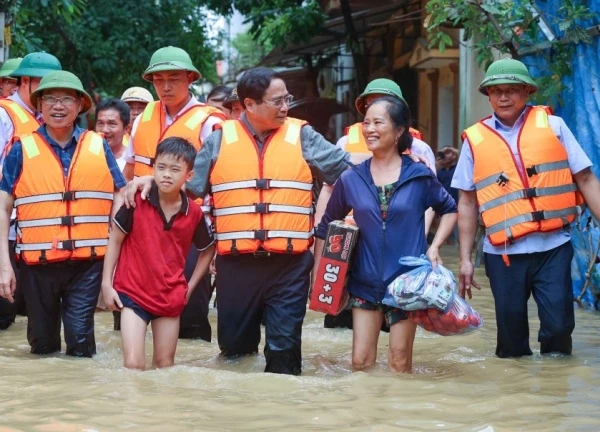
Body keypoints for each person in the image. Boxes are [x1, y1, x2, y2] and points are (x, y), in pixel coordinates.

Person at [125, 67, 370, 375]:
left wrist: (389, 167)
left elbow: (349, 174)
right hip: (235, 266)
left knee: (284, 355)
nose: (285, 107)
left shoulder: (302, 135)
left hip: (290, 267)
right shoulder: (219, 140)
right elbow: (188, 186)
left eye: (287, 99)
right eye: (277, 101)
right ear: (250, 104)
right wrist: (148, 179)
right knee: (235, 356)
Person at [453, 58, 600, 358]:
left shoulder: (554, 126)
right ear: (489, 96)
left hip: (553, 248)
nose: (504, 97)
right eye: (496, 91)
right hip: (503, 254)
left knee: (559, 331)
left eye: (512, 90)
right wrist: (465, 260)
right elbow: (467, 201)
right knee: (511, 344)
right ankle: (516, 400)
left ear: (527, 92)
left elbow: (585, 178)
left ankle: (553, 397)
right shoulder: (475, 140)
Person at [314, 96, 457, 372]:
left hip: (407, 284)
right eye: (366, 122)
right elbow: (326, 227)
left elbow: (450, 209)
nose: (369, 129)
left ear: (399, 130)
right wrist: (322, 280)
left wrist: (435, 246)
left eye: (378, 122)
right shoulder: (351, 178)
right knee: (360, 362)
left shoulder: (419, 175)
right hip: (364, 282)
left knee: (400, 362)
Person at [0, 70, 126, 357]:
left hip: (87, 264)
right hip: (37, 264)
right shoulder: (21, 149)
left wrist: (116, 252)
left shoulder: (97, 145)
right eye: (51, 99)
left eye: (67, 99)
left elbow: (119, 193)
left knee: (81, 341)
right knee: (42, 345)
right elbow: (3, 206)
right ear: (40, 105)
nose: (58, 106)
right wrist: (4, 265)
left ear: (80, 105)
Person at [120, 46, 226, 341]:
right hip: (142, 227)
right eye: (158, 79)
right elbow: (129, 174)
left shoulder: (211, 122)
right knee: (133, 306)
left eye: (174, 78)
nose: (165, 86)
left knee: (189, 312)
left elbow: (217, 182)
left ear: (190, 78)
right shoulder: (142, 118)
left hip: (187, 228)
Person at [315, 78, 438, 330]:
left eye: (384, 103)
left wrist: (420, 239)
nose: (376, 109)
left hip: (399, 248)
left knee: (397, 322)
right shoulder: (345, 144)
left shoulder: (420, 149)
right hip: (351, 244)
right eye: (371, 104)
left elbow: (431, 201)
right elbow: (329, 191)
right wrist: (321, 241)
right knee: (340, 321)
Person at [102, 137, 215, 369]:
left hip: (170, 296)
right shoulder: (136, 202)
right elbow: (114, 240)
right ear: (153, 169)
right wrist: (106, 284)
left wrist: (190, 287)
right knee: (133, 365)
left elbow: (208, 250)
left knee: (165, 365)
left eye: (175, 170)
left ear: (189, 176)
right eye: (161, 167)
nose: (166, 175)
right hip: (133, 292)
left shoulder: (193, 213)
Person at [0, 52, 61, 331]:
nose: (51, 94)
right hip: (6, 231)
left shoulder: (42, 120)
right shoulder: (4, 115)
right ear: (25, 81)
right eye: (44, 85)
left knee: (16, 316)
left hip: (29, 234)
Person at [95, 98, 130, 171]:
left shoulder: (131, 160)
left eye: (112, 124)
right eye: (100, 123)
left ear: (126, 129)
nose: (105, 130)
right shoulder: (85, 155)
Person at [435, 146, 459, 244]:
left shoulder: (457, 169)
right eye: (445, 153)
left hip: (457, 203)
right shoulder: (440, 170)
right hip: (443, 204)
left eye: (450, 153)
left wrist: (452, 151)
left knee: (457, 232)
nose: (447, 155)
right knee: (444, 234)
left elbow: (458, 154)